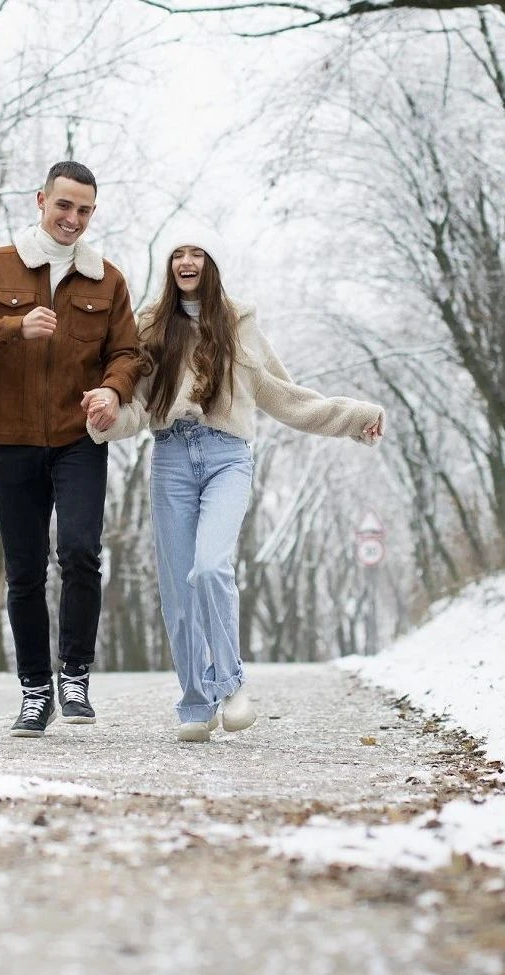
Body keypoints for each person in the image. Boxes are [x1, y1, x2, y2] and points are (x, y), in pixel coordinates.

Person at [85, 220, 385, 743]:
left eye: (197, 252)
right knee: (178, 593)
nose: (186, 262)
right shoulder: (152, 323)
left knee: (209, 568)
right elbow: (136, 407)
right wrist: (105, 420)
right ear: (168, 265)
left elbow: (284, 395)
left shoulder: (239, 325)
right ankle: (195, 705)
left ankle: (231, 683)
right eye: (177, 253)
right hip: (172, 458)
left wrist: (354, 416)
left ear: (212, 262)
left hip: (227, 457)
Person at [0, 161, 140, 737]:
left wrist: (111, 388)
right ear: (41, 201)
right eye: (64, 206)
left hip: (79, 437)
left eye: (84, 210)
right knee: (23, 570)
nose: (73, 219)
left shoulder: (108, 280)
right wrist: (12, 326)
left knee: (79, 552)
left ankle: (74, 674)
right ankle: (35, 691)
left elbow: (128, 353)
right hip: (12, 436)